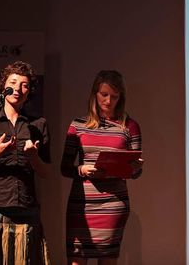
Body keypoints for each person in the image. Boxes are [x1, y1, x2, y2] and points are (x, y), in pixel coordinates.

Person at [0, 60, 51, 265]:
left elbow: (45, 172)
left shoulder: (38, 124)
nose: (18, 89)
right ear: (3, 86)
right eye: (13, 83)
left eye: (24, 85)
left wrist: (33, 156)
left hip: (25, 212)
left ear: (29, 91)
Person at [61, 70, 144, 264]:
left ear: (121, 97)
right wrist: (82, 170)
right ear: (95, 94)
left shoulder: (130, 126)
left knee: (107, 260)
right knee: (76, 259)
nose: (108, 101)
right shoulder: (78, 125)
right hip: (82, 203)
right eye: (104, 94)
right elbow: (64, 168)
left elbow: (135, 173)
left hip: (113, 204)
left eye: (114, 96)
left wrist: (135, 167)